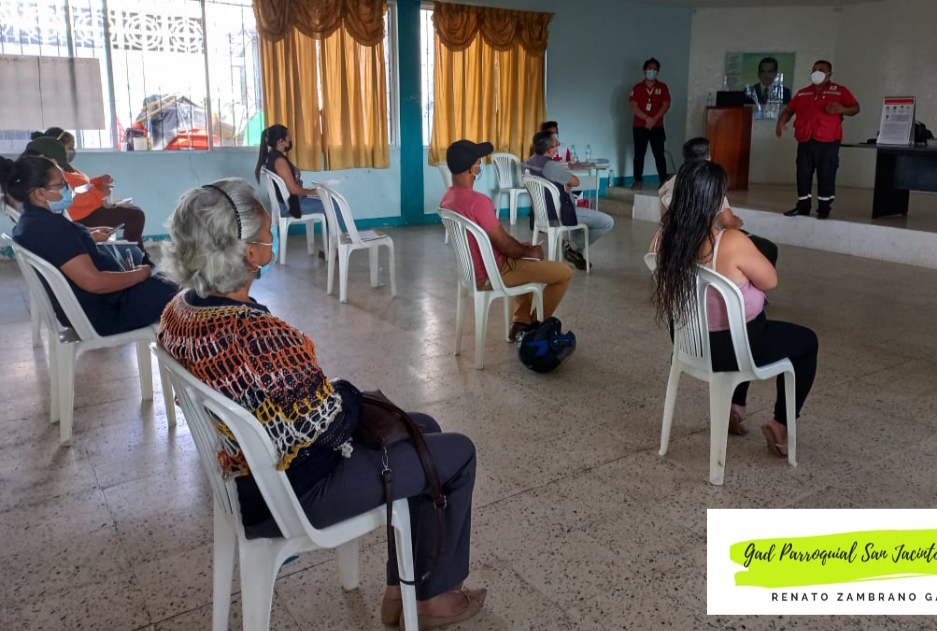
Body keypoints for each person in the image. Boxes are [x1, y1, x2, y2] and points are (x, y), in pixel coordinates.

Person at [156, 179, 486, 630]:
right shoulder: (257, 334)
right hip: (294, 492)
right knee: (458, 453)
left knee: (421, 425)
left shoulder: (180, 311)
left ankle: (403, 590)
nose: (271, 241)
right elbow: (330, 425)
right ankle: (431, 598)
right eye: (267, 235)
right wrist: (348, 392)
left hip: (244, 479)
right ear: (249, 253)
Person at [651, 160, 817, 457]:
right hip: (734, 350)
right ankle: (781, 424)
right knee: (805, 342)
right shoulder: (731, 242)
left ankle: (736, 408)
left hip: (688, 344)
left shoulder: (664, 239)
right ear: (715, 200)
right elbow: (770, 280)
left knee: (743, 321)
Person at [1, 155, 176, 336]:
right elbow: (94, 282)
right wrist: (138, 275)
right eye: (62, 184)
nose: (68, 189)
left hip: (95, 306)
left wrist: (88, 236)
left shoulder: (30, 223)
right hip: (110, 312)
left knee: (172, 274)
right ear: (40, 193)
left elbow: (64, 248)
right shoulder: (52, 229)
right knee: (183, 279)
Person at [439, 139, 573, 341]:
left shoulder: (447, 198)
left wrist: (522, 250)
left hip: (473, 273)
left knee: (525, 258)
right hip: (495, 273)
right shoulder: (479, 202)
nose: (480, 166)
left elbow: (499, 241)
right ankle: (535, 327)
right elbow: (505, 246)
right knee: (564, 273)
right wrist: (530, 251)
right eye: (478, 162)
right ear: (471, 169)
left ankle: (520, 321)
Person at [659, 137, 778, 266]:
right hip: (709, 244)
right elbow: (728, 222)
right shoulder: (710, 183)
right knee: (769, 248)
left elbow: (665, 219)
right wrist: (737, 222)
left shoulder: (669, 184)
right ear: (708, 157)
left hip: (678, 242)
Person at [28, 129, 149, 250]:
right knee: (136, 215)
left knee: (135, 212)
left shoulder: (66, 167)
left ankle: (136, 252)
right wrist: (101, 193)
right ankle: (136, 253)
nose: (72, 151)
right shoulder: (56, 173)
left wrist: (97, 181)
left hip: (90, 209)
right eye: (70, 147)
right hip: (82, 216)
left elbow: (82, 186)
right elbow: (73, 199)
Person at [775, 60, 859, 219]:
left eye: (821, 69)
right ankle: (803, 206)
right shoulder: (803, 93)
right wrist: (781, 122)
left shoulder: (840, 91)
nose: (816, 72)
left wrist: (841, 109)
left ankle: (824, 209)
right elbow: (789, 110)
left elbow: (855, 108)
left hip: (828, 140)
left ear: (830, 74)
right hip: (805, 139)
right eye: (814, 69)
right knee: (803, 174)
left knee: (826, 174)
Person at [524, 131, 615, 271]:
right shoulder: (551, 166)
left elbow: (546, 181)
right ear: (549, 149)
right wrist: (565, 182)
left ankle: (573, 248)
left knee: (581, 220)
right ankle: (572, 247)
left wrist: (561, 183)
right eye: (556, 144)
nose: (557, 147)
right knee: (607, 222)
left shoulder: (530, 162)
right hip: (559, 213)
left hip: (540, 214)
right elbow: (576, 181)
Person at [254, 124, 342, 229]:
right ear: (281, 141)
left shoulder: (272, 157)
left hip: (286, 203)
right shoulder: (279, 161)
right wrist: (313, 191)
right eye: (288, 137)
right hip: (291, 206)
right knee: (333, 203)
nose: (290, 139)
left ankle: (335, 236)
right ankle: (339, 237)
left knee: (328, 199)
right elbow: (294, 190)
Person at [629, 57, 671, 189]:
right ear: (644, 70)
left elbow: (666, 104)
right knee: (639, 154)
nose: (652, 71)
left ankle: (663, 180)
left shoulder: (662, 87)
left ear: (658, 72)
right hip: (640, 126)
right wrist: (647, 118)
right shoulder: (638, 87)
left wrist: (654, 119)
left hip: (657, 126)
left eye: (655, 69)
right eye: (649, 68)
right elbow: (633, 105)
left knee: (659, 154)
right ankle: (637, 180)